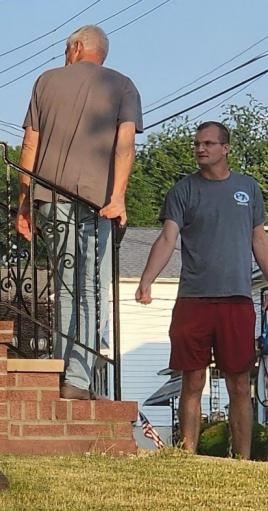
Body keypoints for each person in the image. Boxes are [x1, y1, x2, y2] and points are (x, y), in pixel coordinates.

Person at [16, 25, 143, 399]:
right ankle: (78, 377)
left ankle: (64, 370)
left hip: (51, 200)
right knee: (91, 288)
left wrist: (24, 203)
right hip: (98, 204)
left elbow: (29, 144)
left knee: (66, 287)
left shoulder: (45, 82)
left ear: (75, 47)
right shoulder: (122, 85)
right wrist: (118, 196)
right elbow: (125, 145)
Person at [136, 121, 268, 459]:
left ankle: (242, 460)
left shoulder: (248, 189)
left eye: (208, 143)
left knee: (239, 383)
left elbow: (259, 239)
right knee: (191, 381)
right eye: (197, 143)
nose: (200, 149)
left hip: (236, 300)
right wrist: (147, 280)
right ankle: (188, 456)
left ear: (225, 148)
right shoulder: (182, 191)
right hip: (193, 300)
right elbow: (167, 238)